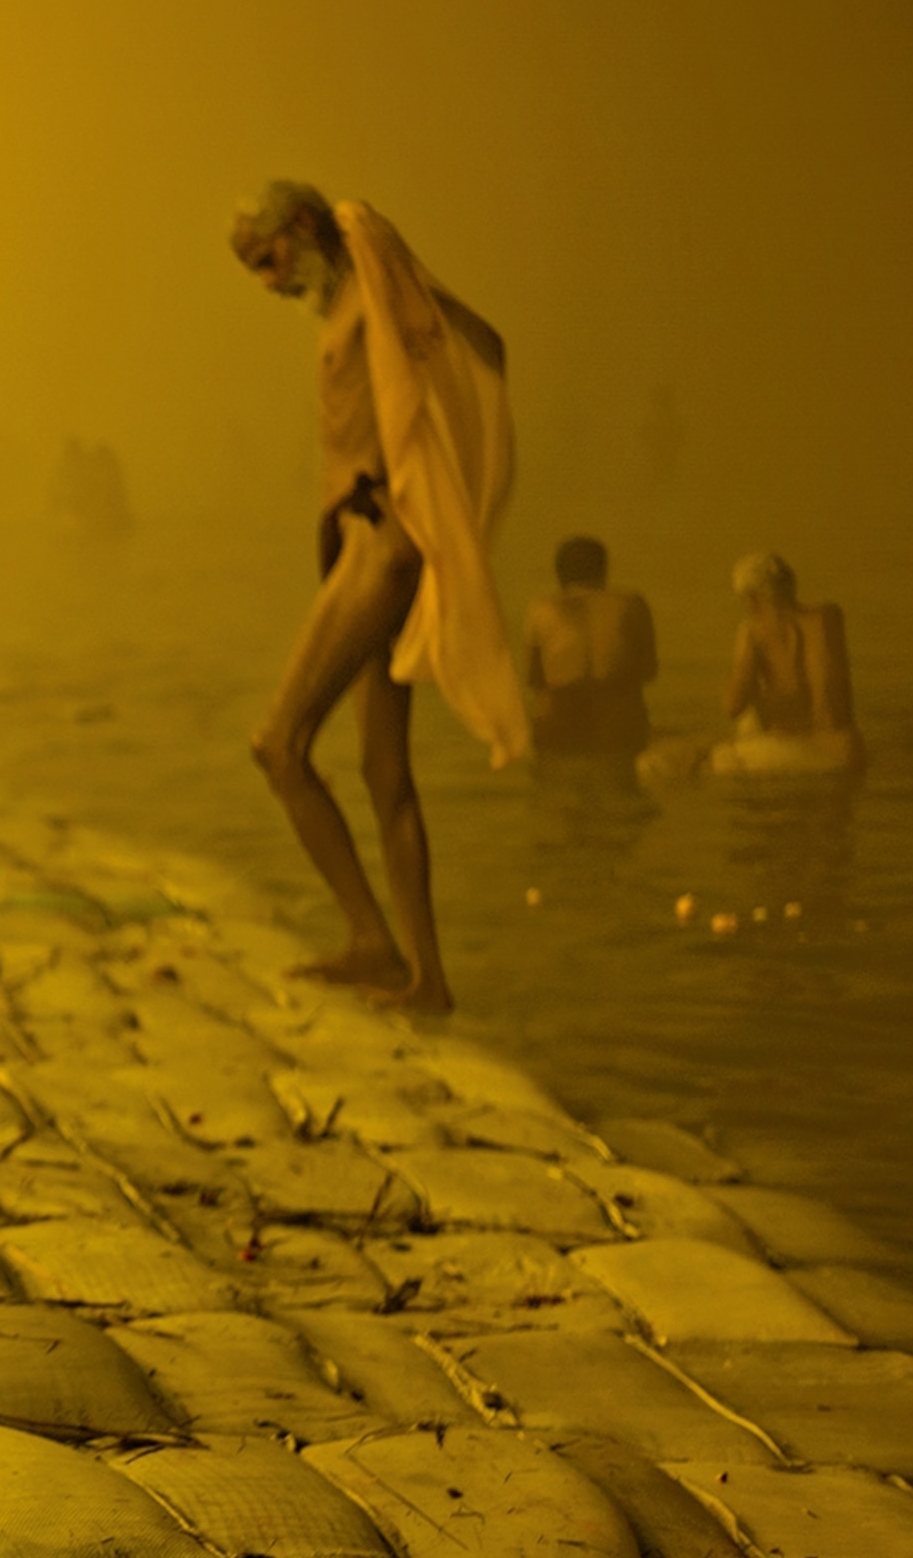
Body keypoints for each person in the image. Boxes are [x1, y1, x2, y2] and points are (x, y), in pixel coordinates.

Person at [232, 180, 522, 1014]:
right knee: (383, 769)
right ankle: (425, 977)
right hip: (366, 548)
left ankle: (372, 936)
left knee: (277, 747)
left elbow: (487, 346)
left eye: (270, 260)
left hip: (381, 549)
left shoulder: (376, 293)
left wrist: (425, 476)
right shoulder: (348, 305)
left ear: (302, 226)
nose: (270, 284)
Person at [716, 552, 861, 771]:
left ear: (752, 597)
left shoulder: (753, 632)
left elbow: (732, 707)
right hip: (847, 750)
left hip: (799, 751)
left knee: (719, 758)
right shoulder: (829, 617)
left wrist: (737, 676)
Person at [522, 535, 656, 757]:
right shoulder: (632, 605)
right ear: (604, 570)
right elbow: (649, 671)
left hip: (560, 722)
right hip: (618, 722)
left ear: (559, 574)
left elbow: (533, 678)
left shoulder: (541, 611)